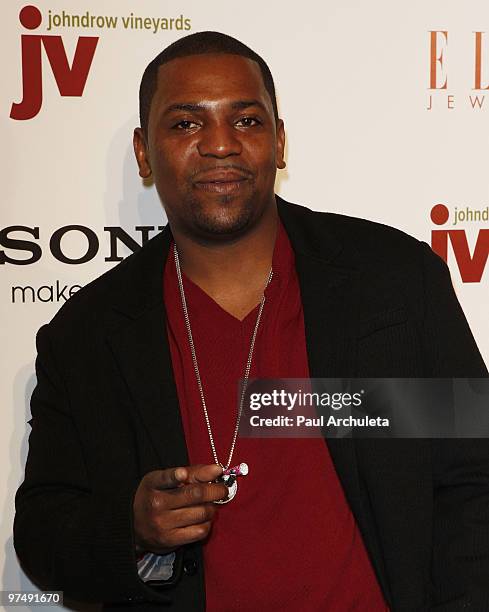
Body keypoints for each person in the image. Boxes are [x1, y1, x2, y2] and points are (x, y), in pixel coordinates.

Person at [13, 31, 489, 611]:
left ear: (280, 140)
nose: (220, 146)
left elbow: (474, 475)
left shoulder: (393, 281)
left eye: (246, 121)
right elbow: (42, 532)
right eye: (186, 124)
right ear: (144, 152)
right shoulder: (86, 336)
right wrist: (132, 528)